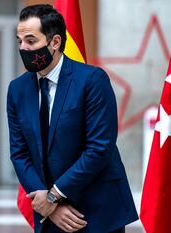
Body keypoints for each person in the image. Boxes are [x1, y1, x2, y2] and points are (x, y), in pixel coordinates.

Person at [7, 4, 138, 233]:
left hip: (97, 211)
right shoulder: (17, 89)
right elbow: (20, 153)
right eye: (19, 41)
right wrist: (48, 204)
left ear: (55, 42)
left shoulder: (92, 80)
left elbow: (99, 147)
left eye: (30, 40)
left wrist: (54, 195)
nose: (23, 48)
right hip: (49, 215)